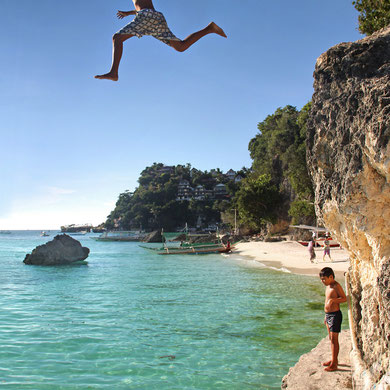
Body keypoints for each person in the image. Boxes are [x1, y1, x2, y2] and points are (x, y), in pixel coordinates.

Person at [95, 0, 227, 81]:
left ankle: (114, 72)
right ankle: (210, 29)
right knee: (180, 47)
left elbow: (142, 9)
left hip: (147, 16)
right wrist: (128, 13)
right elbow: (141, 6)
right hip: (154, 18)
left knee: (117, 38)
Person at [319, 267, 347, 372]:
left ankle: (335, 364)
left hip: (335, 315)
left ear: (331, 277)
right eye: (321, 279)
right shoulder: (328, 286)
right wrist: (326, 316)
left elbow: (344, 298)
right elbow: (327, 299)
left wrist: (334, 300)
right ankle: (332, 359)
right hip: (328, 315)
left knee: (334, 340)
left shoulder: (336, 286)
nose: (323, 281)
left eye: (324, 279)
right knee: (331, 339)